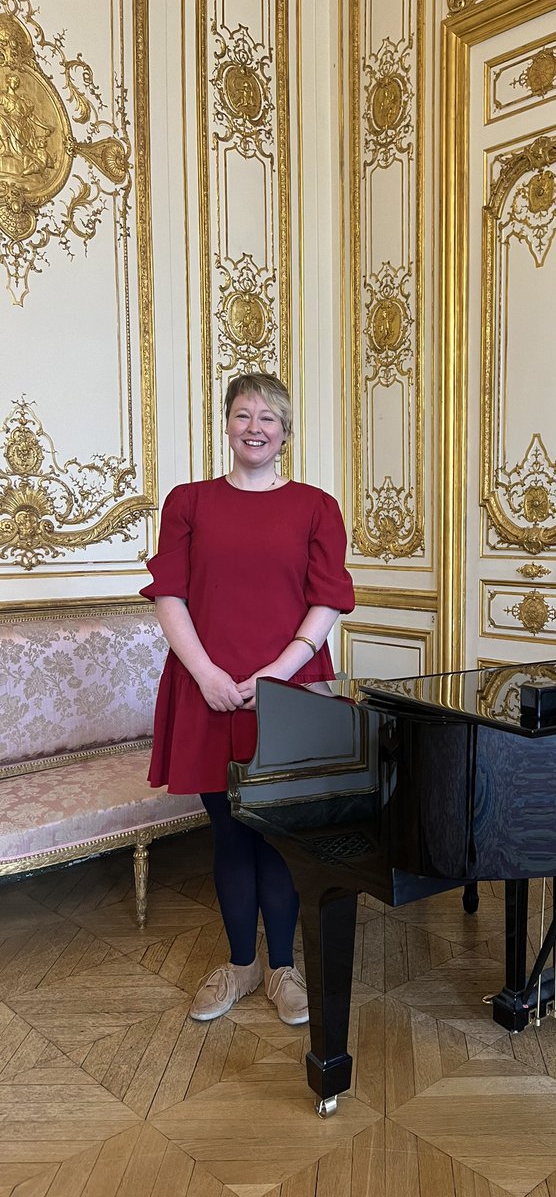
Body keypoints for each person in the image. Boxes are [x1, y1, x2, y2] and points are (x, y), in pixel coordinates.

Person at [140, 372, 355, 1025]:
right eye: (242, 414)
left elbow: (327, 601)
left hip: (288, 692)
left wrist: (276, 675)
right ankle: (241, 965)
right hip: (206, 690)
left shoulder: (317, 506)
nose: (254, 426)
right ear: (227, 425)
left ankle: (283, 968)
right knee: (230, 836)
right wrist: (204, 671)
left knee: (278, 837)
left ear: (285, 433)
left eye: (268, 417)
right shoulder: (188, 502)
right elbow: (169, 594)